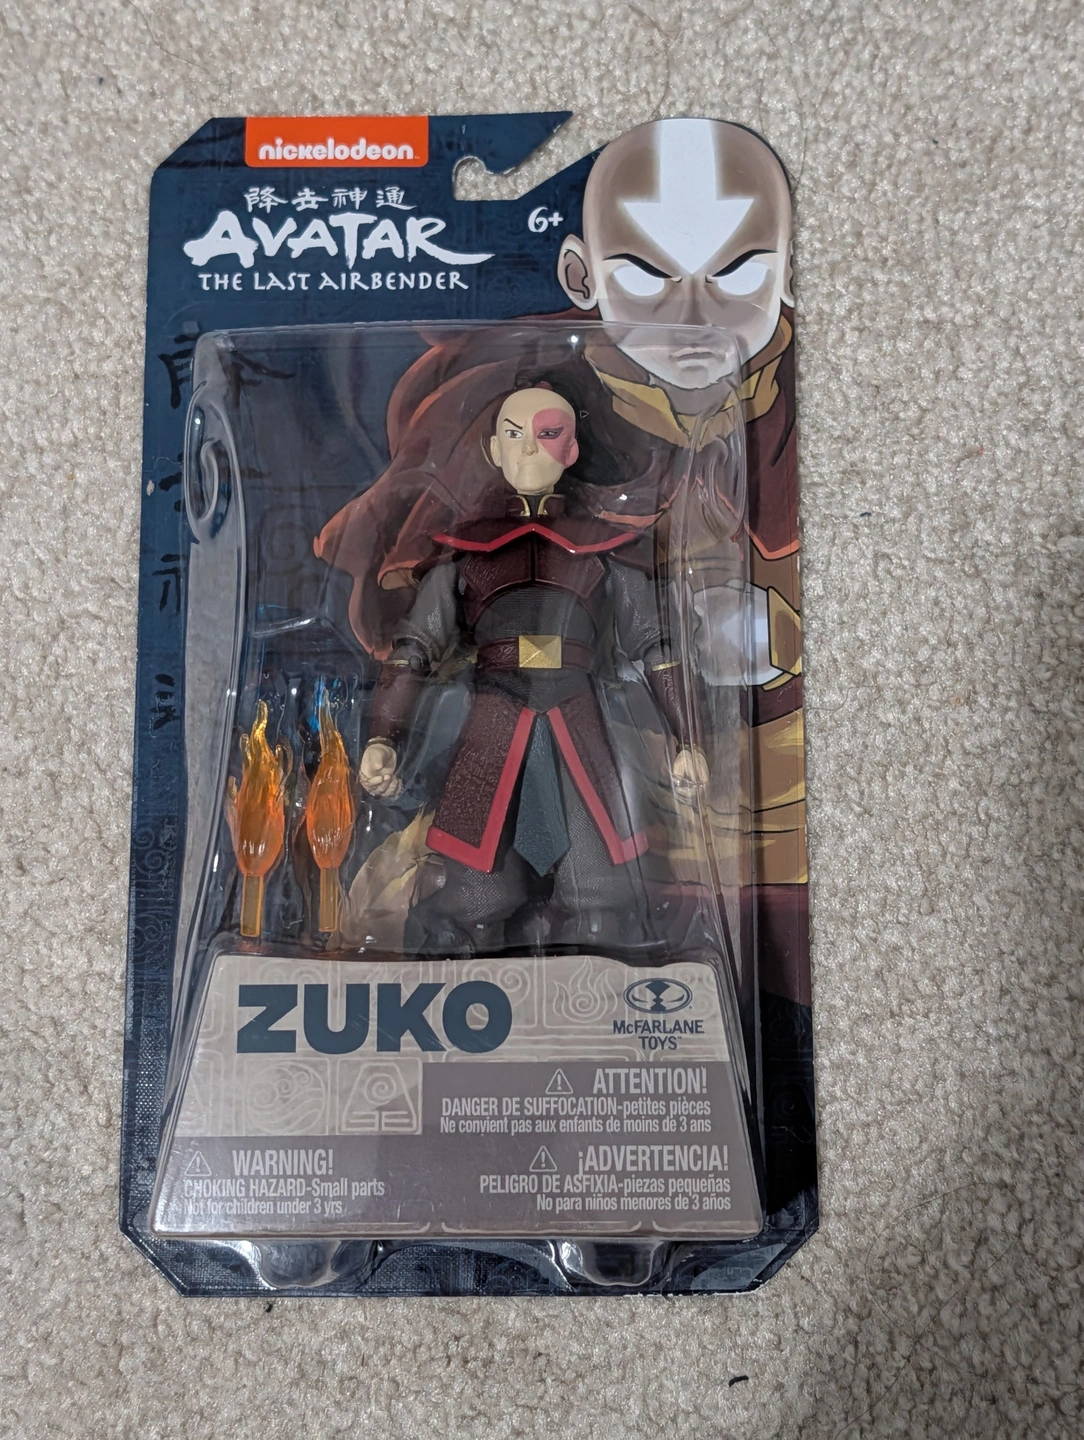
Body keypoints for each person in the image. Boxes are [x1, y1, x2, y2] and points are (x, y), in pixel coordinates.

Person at [352, 385, 707, 957]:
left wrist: (688, 738)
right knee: (478, 895)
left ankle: (597, 976)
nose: (527, 450)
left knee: (598, 888)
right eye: (513, 435)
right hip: (493, 715)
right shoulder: (464, 552)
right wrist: (383, 739)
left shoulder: (605, 548)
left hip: (578, 713)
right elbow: (414, 650)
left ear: (571, 450)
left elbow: (656, 646)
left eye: (546, 434)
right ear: (494, 449)